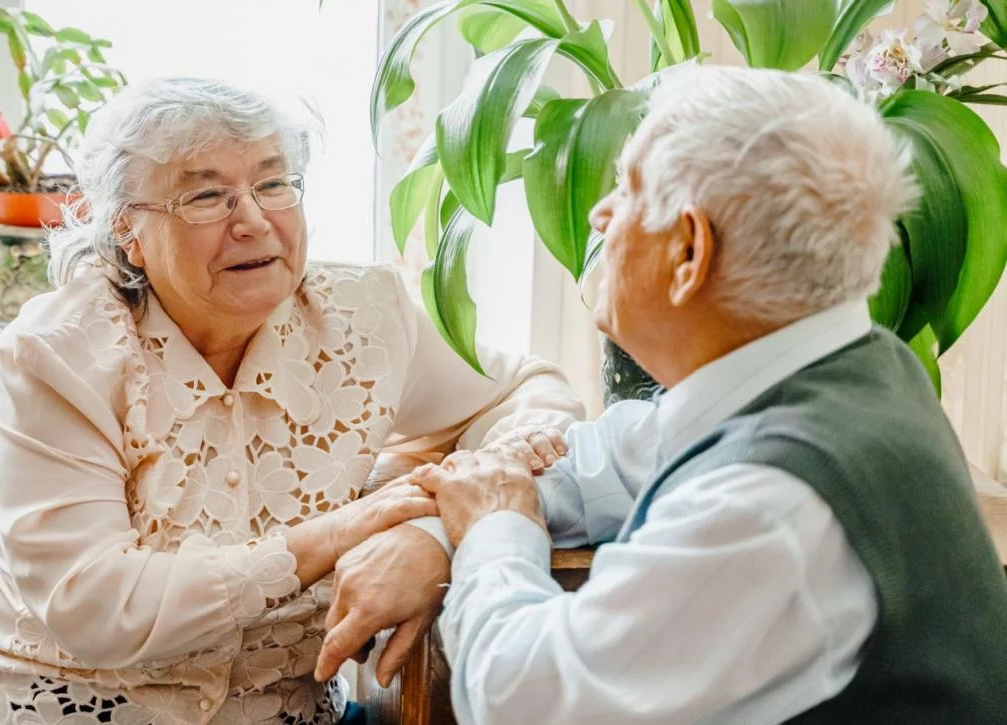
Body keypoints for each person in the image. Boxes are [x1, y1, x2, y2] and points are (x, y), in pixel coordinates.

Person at [315, 65, 1007, 724]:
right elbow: (607, 460)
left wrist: (495, 527)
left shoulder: (769, 506)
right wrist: (447, 525)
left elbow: (524, 697)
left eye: (627, 190)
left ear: (688, 252)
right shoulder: (841, 368)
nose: (599, 216)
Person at [0, 77, 582, 725]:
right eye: (207, 196)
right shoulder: (59, 355)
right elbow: (97, 605)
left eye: (273, 183)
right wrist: (343, 531)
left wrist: (428, 533)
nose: (255, 221)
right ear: (127, 232)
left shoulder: (366, 316)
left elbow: (531, 389)